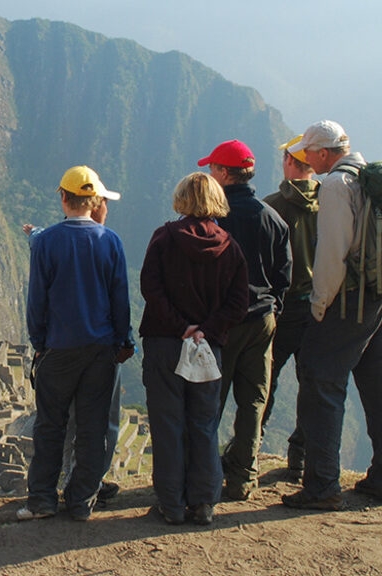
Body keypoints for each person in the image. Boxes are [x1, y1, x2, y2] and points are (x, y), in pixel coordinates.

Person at [282, 121, 382, 511]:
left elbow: (332, 255)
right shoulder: (370, 176)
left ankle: (321, 486)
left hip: (350, 301)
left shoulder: (335, 186)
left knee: (321, 381)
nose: (306, 159)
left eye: (308, 153)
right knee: (380, 383)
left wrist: (320, 306)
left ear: (323, 152)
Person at [17, 165, 133, 522]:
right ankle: (82, 500)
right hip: (100, 350)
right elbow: (120, 300)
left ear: (64, 198)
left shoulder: (48, 242)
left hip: (58, 349)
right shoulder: (109, 241)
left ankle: (42, 500)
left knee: (50, 425)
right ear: (94, 201)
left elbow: (37, 300)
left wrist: (38, 342)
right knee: (93, 425)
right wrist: (123, 340)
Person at [140, 172, 249, 526]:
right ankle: (203, 502)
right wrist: (207, 330)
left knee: (167, 423)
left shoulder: (164, 239)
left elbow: (150, 289)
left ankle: (171, 504)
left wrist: (180, 327)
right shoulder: (230, 247)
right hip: (206, 348)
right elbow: (238, 302)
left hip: (165, 344)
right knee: (203, 423)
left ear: (182, 198)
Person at [197, 139, 292, 501]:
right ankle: (243, 479)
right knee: (253, 401)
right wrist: (271, 308)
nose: (209, 174)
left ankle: (202, 477)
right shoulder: (273, 218)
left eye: (212, 169)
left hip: (223, 322)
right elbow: (284, 275)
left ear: (224, 173)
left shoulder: (214, 220)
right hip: (262, 320)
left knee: (210, 400)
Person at [261, 135, 319, 481]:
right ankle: (301, 456)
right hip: (320, 308)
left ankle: (249, 448)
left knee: (264, 380)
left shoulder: (272, 207)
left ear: (289, 163)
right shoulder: (334, 203)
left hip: (282, 307)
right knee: (312, 382)